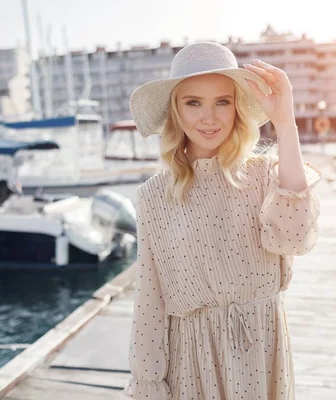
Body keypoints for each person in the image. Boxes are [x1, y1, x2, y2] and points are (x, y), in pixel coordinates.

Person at [123, 42, 322, 400]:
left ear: (236, 109)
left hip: (263, 349)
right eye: (193, 102)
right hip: (191, 363)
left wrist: (285, 122)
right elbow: (149, 300)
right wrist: (148, 383)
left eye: (222, 102)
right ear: (176, 111)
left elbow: (294, 237)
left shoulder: (264, 175)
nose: (209, 118)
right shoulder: (153, 196)